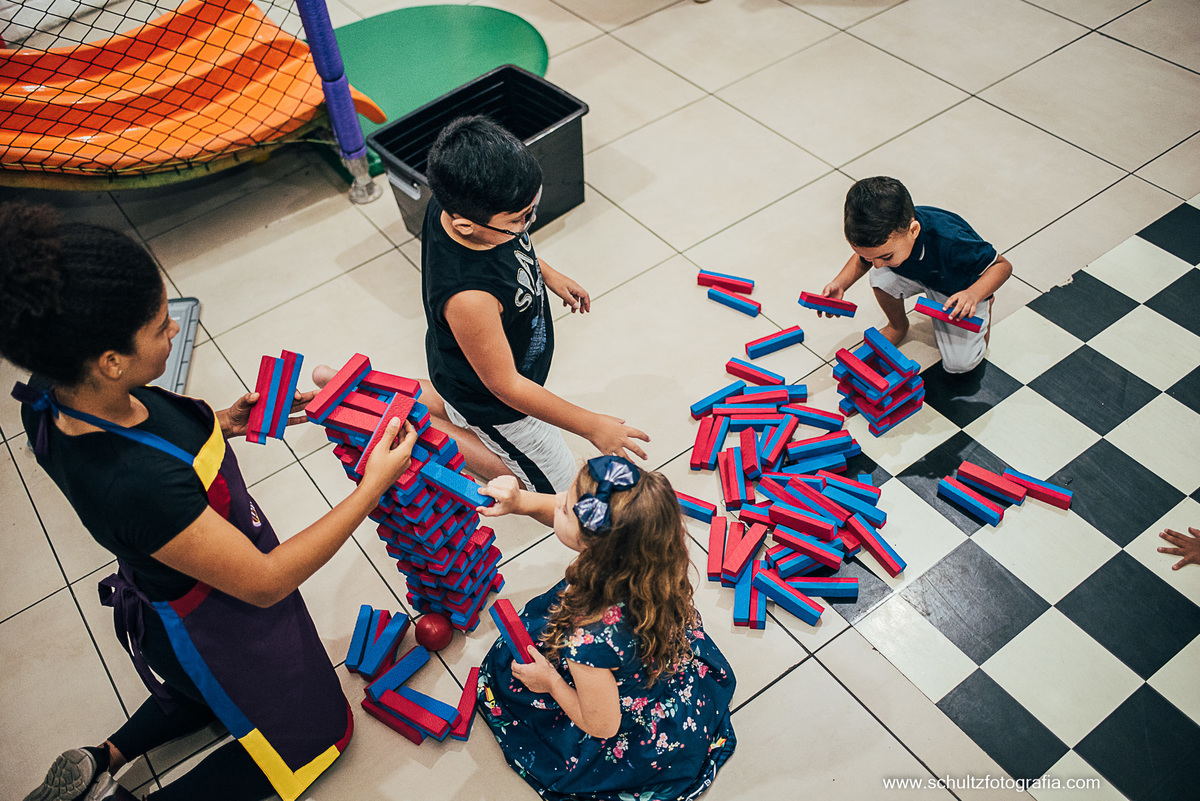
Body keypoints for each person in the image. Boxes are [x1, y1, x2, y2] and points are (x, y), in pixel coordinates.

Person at [2, 203, 417, 801]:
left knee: (199, 693)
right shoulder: (135, 484)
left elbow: (154, 439)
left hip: (172, 585)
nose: (175, 329)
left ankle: (103, 757)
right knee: (317, 736)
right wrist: (372, 485)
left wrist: (223, 421)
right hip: (212, 620)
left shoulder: (54, 392)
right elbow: (266, 582)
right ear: (110, 361)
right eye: (159, 326)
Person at [474, 456, 737, 801]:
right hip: (653, 660)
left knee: (517, 687)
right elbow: (571, 517)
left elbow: (602, 726)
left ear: (594, 549)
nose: (559, 500)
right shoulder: (650, 559)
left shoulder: (589, 638)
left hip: (620, 718)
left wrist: (550, 682)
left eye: (565, 507)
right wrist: (521, 501)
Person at [421, 116, 649, 504]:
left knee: (460, 401)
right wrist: (590, 426)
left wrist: (547, 274)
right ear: (464, 226)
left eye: (532, 210)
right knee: (546, 489)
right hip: (497, 402)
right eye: (519, 219)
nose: (528, 224)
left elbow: (509, 248)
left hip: (476, 367)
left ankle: (436, 404)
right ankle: (430, 430)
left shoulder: (458, 206)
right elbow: (506, 386)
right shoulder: (468, 298)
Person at [820, 176, 1013, 374]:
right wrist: (840, 284)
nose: (875, 264)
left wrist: (975, 294)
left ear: (914, 231)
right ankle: (897, 326)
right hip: (920, 274)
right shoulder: (885, 239)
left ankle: (985, 307)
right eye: (869, 258)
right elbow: (865, 258)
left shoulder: (952, 239)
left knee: (960, 364)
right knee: (881, 277)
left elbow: (1002, 266)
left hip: (958, 290)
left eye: (886, 256)